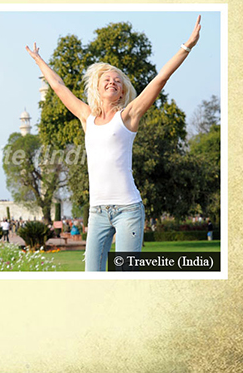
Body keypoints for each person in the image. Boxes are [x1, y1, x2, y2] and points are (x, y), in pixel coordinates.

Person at [25, 16, 202, 272]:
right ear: (97, 88)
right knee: (92, 276)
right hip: (97, 212)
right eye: (107, 79)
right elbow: (59, 86)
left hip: (128, 209)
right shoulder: (88, 118)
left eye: (118, 81)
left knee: (125, 276)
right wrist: (39, 60)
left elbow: (160, 79)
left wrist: (187, 45)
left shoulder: (128, 117)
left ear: (122, 92)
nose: (113, 82)